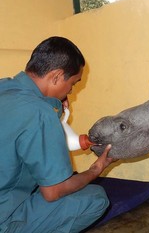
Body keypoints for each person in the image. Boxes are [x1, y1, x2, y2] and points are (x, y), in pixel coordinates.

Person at [0, 36, 116, 232]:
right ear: (55, 76)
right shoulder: (39, 114)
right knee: (94, 198)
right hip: (4, 217)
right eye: (72, 84)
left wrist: (54, 104)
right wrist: (95, 170)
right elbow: (53, 192)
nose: (70, 92)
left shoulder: (5, 87)